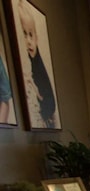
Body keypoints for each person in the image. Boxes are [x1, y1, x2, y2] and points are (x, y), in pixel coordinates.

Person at [18, 0, 56, 128]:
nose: (29, 41)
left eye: (31, 34)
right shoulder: (26, 67)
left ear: (37, 37)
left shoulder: (39, 68)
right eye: (24, 34)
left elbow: (43, 96)